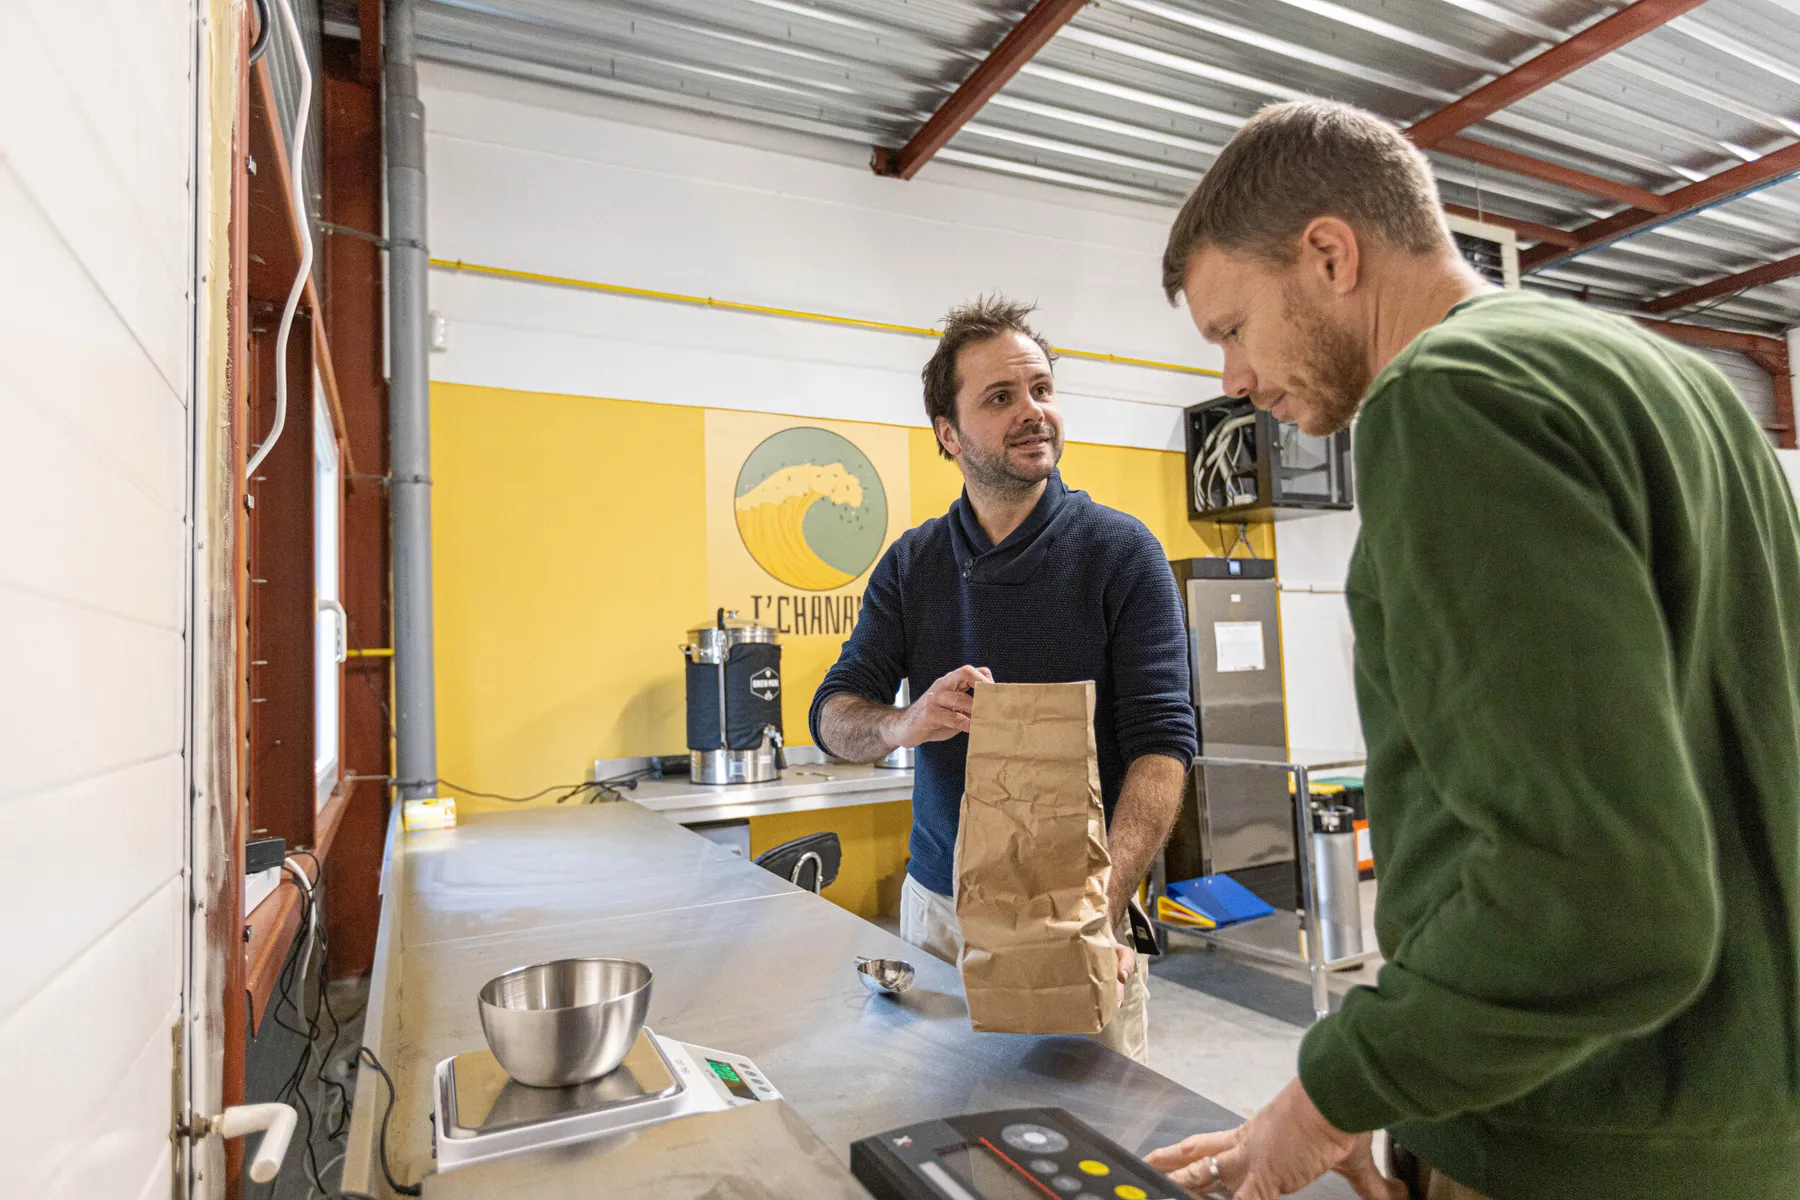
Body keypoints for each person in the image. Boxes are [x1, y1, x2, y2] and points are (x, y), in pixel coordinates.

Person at [1145, 98, 1800, 1200]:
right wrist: (1407, 1070)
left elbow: (1596, 898)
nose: (1235, 384)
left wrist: (1335, 1091)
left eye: (1231, 327)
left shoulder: (1447, 399)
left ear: (1329, 255)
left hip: (1583, 1137)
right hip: (1741, 1119)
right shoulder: (1682, 387)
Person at [808, 296, 1198, 1063]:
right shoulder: (912, 564)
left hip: (1078, 907)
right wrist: (902, 723)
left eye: (1043, 390)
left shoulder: (1122, 554)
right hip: (942, 916)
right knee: (944, 1142)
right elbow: (832, 713)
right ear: (949, 436)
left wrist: (1097, 912)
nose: (1034, 412)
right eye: (1001, 397)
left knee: (1088, 1146)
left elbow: (1162, 749)